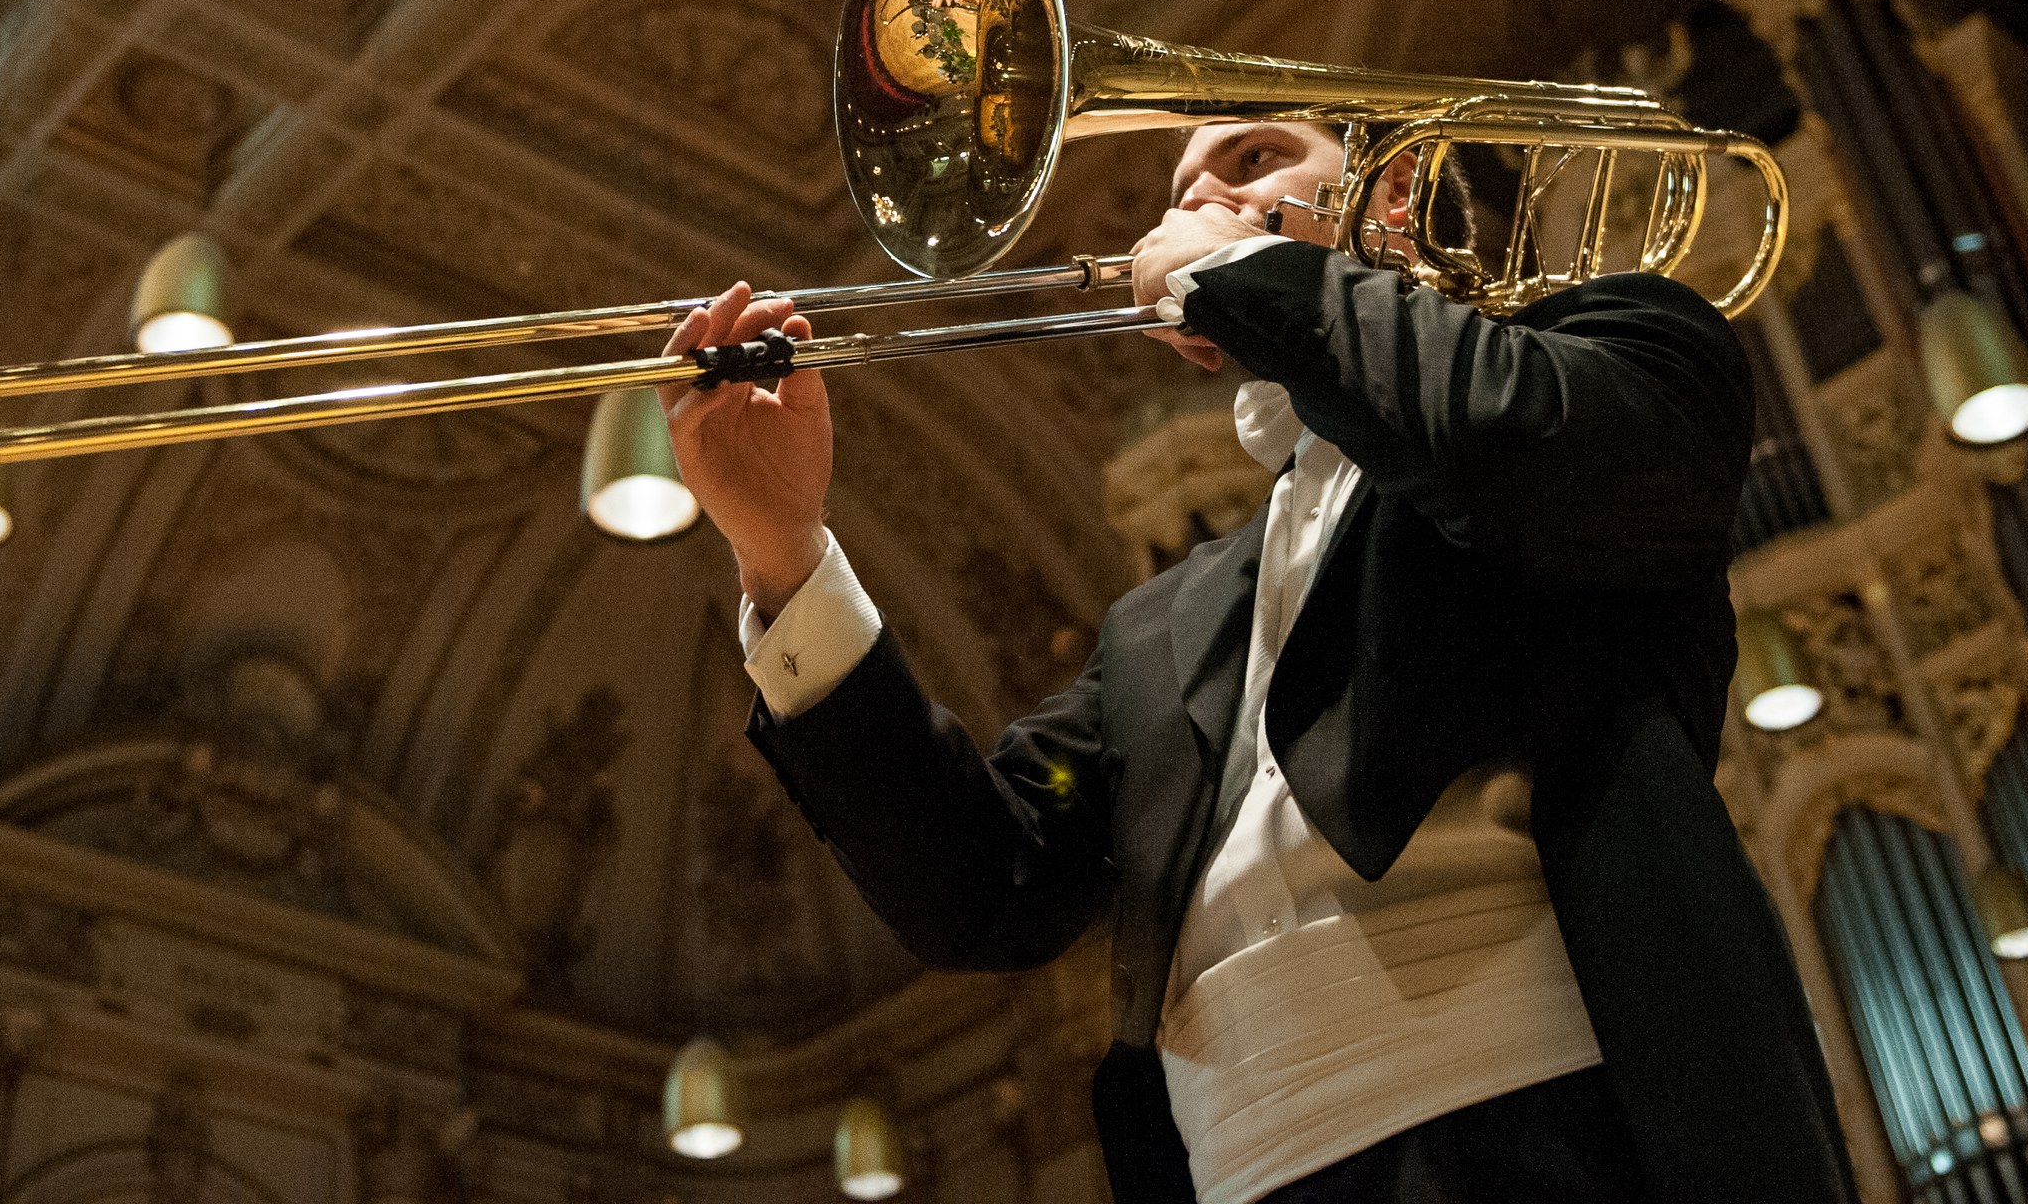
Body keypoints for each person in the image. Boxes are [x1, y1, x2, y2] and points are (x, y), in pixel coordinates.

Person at [660, 117, 1854, 1204]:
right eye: (1181, 194)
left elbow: (1517, 444)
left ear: (1391, 194)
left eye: (1250, 160)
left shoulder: (1630, 346)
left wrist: (1244, 273)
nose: (1194, 204)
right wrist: (783, 552)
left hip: (1553, 1132)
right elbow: (984, 891)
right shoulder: (1157, 628)